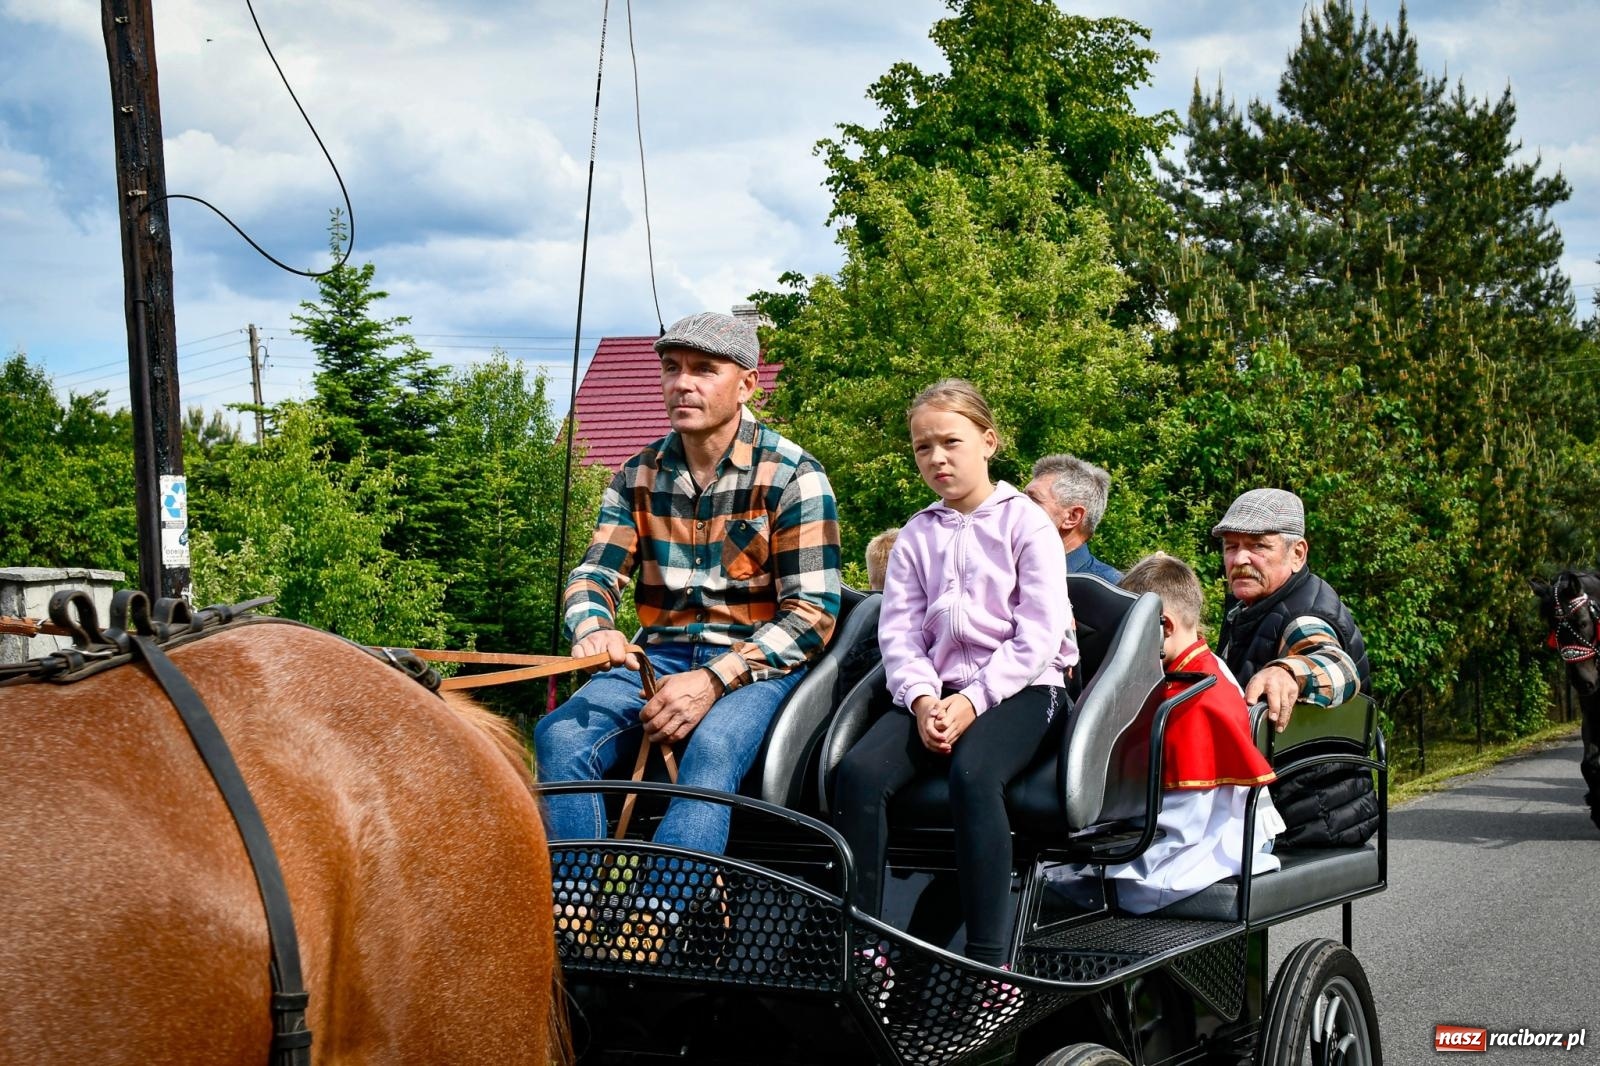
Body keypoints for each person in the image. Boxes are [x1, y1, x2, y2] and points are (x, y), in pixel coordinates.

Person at [534, 311, 841, 854]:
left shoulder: (794, 474)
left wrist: (715, 679)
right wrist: (595, 626)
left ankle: (662, 922)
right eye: (672, 368)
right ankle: (571, 914)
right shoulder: (637, 474)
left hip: (757, 666)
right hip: (658, 657)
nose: (682, 383)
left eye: (704, 369)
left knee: (714, 748)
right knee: (559, 735)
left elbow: (812, 614)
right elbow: (595, 573)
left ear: (746, 384)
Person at [834, 379, 1075, 973]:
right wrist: (920, 700)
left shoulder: (1027, 524)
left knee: (974, 773)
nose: (937, 457)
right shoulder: (917, 534)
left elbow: (1039, 633)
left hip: (1024, 686)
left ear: (987, 442)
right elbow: (899, 634)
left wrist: (974, 700)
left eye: (951, 442)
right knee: (859, 775)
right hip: (936, 691)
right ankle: (862, 947)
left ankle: (990, 962)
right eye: (922, 447)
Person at [1086, 552, 1282, 912]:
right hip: (1191, 830)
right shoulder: (1189, 668)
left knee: (1082, 884)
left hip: (1206, 845)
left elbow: (1186, 824)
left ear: (1164, 626)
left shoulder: (1200, 701)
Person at [1212, 488, 1376, 848]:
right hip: (1304, 809)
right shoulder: (1252, 607)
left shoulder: (1304, 616)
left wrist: (1290, 672)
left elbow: (1336, 665)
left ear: (1297, 553)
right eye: (1230, 546)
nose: (1240, 558)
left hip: (1305, 818)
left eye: (1257, 546)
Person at [1024, 454, 1121, 583]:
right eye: (1022, 497)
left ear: (1072, 517)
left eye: (1033, 499)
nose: (1018, 505)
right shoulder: (1005, 570)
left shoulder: (1113, 593)